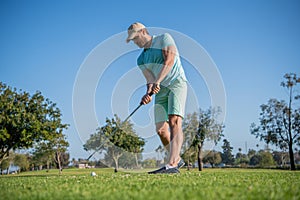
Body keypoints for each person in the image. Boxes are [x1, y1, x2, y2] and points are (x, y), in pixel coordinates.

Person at [126, 22, 187, 174]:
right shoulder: (141, 59)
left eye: (136, 38)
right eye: (132, 40)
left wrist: (157, 82)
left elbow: (169, 61)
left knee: (174, 120)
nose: (135, 42)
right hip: (160, 91)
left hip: (176, 83)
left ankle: (172, 164)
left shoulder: (164, 39)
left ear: (144, 31)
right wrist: (148, 94)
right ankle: (177, 158)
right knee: (160, 130)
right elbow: (150, 80)